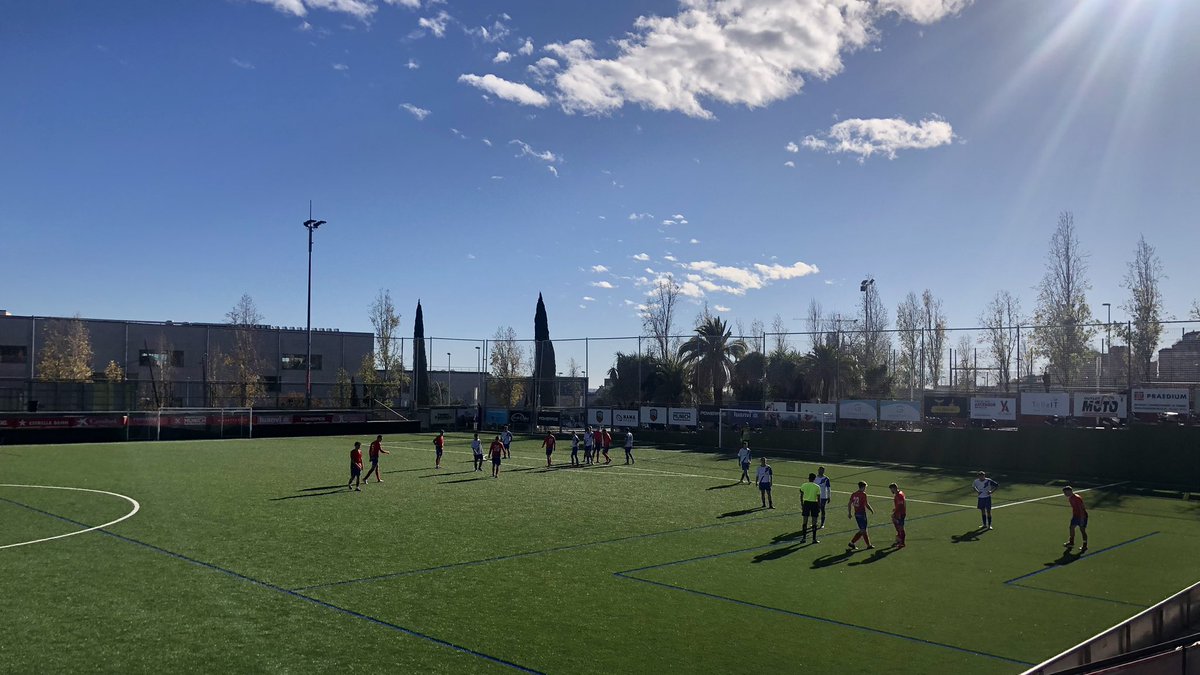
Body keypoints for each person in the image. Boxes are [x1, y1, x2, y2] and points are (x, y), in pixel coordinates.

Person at [847, 481, 875, 550]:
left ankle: (852, 543)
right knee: (863, 530)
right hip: (862, 514)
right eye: (865, 487)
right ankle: (868, 545)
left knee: (863, 530)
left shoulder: (854, 494)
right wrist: (871, 509)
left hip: (857, 514)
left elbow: (849, 504)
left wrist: (850, 513)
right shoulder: (863, 494)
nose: (865, 489)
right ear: (863, 487)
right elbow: (866, 504)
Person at [1063, 486, 1089, 552]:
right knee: (1071, 528)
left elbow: (1081, 509)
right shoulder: (1070, 498)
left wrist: (1082, 519)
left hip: (1082, 516)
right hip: (1076, 516)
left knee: (1082, 530)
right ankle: (1071, 542)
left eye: (1065, 492)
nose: (1065, 494)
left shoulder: (1077, 498)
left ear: (1069, 491)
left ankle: (1085, 545)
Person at [799, 473, 822, 542]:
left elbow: (801, 495)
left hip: (806, 503)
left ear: (808, 478)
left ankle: (804, 538)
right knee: (814, 522)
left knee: (805, 521)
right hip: (814, 504)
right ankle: (814, 539)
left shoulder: (804, 485)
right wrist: (819, 506)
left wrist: (802, 504)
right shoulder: (817, 487)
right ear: (814, 479)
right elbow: (818, 498)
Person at [890, 483, 907, 548]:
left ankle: (902, 542)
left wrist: (894, 514)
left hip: (900, 514)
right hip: (899, 513)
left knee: (901, 527)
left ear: (894, 488)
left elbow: (900, 506)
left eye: (891, 489)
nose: (891, 491)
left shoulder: (899, 495)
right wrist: (895, 509)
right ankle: (899, 537)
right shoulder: (899, 493)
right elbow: (900, 504)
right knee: (895, 523)